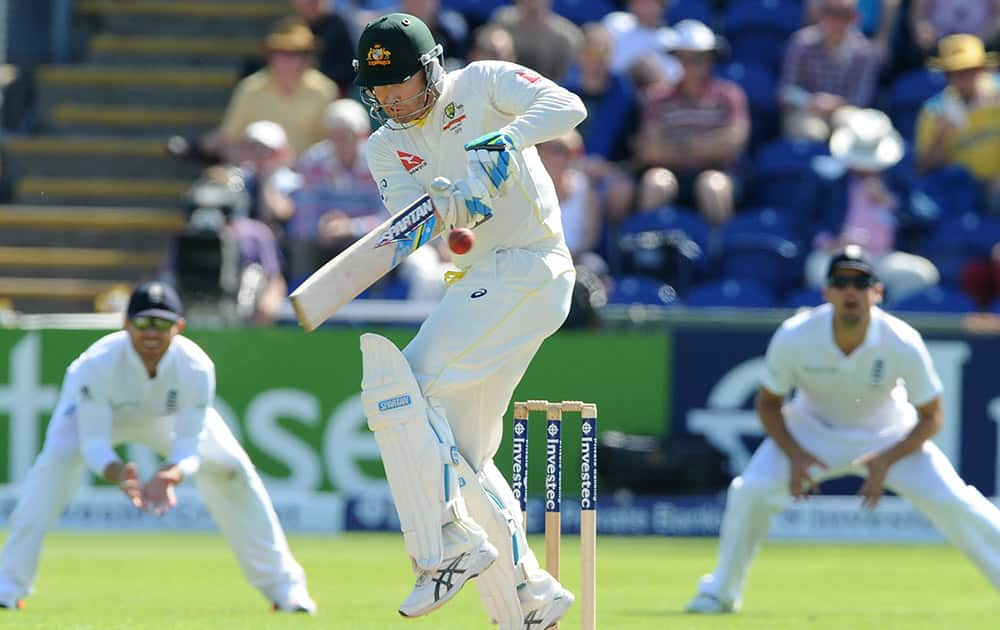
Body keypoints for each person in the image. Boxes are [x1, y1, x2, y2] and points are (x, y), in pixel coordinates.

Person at [350, 12, 585, 629]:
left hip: (531, 264)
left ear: (431, 67)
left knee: (400, 393)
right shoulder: (384, 146)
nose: (393, 99)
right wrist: (448, 206)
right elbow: (417, 228)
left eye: (403, 82)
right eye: (380, 90)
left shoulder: (481, 84)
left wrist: (507, 140)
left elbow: (567, 106)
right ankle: (529, 595)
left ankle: (444, 546)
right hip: (480, 280)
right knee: (463, 454)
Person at [685, 246, 1000, 614]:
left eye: (861, 282)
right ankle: (720, 591)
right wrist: (796, 455)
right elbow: (768, 403)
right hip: (809, 433)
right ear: (827, 292)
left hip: (889, 436)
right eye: (841, 282)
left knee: (955, 501)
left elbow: (931, 415)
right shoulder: (795, 335)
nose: (851, 291)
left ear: (877, 292)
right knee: (750, 491)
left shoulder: (901, 340)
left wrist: (886, 460)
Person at [0, 283, 315, 613]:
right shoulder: (94, 365)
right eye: (142, 323)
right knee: (50, 472)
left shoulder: (196, 367)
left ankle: (286, 591)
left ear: (179, 327)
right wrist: (118, 471)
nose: (152, 333)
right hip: (95, 416)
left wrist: (171, 472)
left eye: (163, 323)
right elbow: (93, 444)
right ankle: (8, 586)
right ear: (125, 324)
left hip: (165, 418)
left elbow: (188, 446)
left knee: (232, 469)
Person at [633, 20, 749, 227]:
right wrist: (708, 146)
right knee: (655, 182)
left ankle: (720, 252)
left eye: (699, 58)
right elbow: (650, 149)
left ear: (711, 59)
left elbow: (733, 143)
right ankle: (644, 251)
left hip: (717, 173)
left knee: (712, 186)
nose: (692, 64)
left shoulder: (729, 95)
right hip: (670, 174)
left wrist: (677, 146)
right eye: (685, 58)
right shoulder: (657, 98)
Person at [779, 0, 881, 142]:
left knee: (852, 129)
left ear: (854, 18)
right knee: (811, 132)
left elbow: (861, 99)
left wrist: (833, 104)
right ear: (819, 14)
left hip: (845, 111)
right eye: (828, 12)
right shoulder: (801, 43)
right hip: (806, 110)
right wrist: (810, 101)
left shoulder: (864, 51)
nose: (833, 20)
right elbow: (786, 90)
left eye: (842, 14)